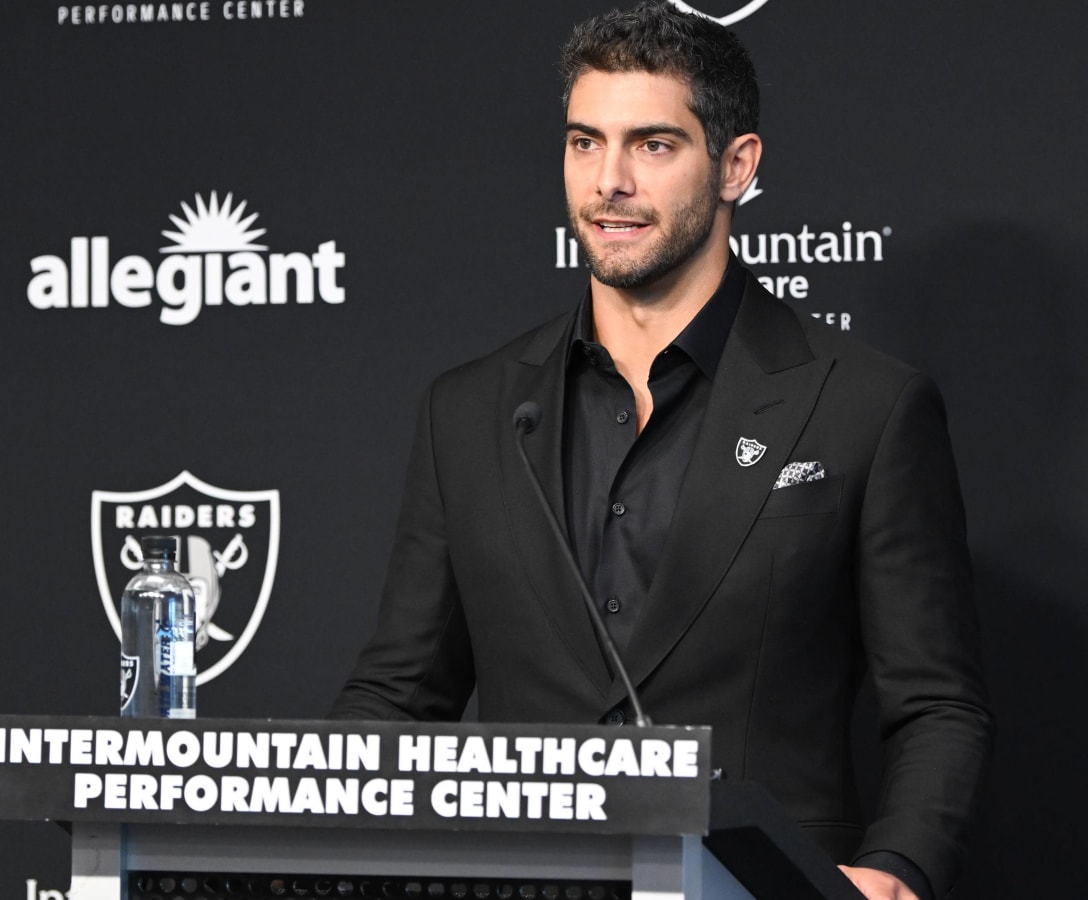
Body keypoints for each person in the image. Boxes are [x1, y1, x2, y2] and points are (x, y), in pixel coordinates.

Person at [330, 4, 992, 899]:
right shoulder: (472, 410)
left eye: (652, 145)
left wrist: (895, 870)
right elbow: (399, 696)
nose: (608, 182)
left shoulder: (866, 406)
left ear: (737, 166)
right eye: (583, 142)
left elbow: (936, 706)